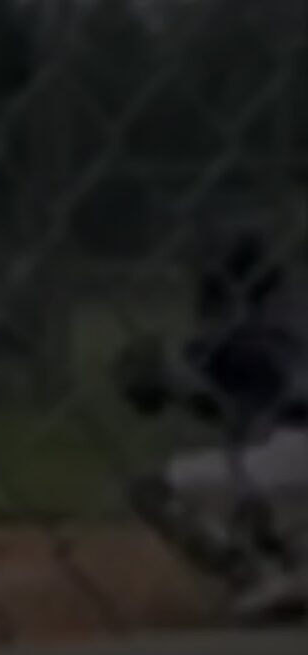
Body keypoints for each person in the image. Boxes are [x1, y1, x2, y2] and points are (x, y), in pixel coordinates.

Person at [115, 229, 308, 623]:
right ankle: (289, 560)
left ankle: (258, 577)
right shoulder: (292, 313)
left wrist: (161, 381)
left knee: (150, 489)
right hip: (290, 451)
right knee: (249, 476)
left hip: (297, 452)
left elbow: (205, 394)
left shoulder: (239, 331)